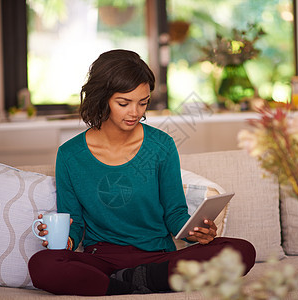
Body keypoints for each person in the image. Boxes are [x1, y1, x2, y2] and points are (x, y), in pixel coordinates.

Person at [28, 49, 256, 296]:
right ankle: (139, 283)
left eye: (143, 102)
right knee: (42, 265)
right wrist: (63, 240)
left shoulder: (161, 146)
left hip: (158, 257)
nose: (135, 112)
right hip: (102, 259)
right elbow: (75, 222)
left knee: (241, 251)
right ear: (102, 98)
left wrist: (196, 233)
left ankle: (117, 285)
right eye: (124, 103)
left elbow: (175, 214)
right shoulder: (70, 155)